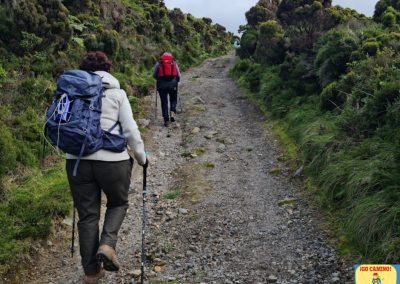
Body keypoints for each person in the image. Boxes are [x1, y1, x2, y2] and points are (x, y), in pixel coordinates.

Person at [65, 51, 149, 284]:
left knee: (88, 216)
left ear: (83, 71)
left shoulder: (71, 92)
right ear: (107, 70)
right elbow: (131, 131)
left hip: (76, 162)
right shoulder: (117, 94)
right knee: (118, 202)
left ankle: (91, 272)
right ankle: (107, 244)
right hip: (113, 161)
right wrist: (142, 159)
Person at [152, 52, 181, 127]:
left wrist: (159, 79)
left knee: (164, 101)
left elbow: (154, 75)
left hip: (161, 86)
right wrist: (177, 80)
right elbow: (178, 75)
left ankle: (166, 120)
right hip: (173, 85)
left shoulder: (159, 63)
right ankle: (172, 111)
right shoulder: (173, 62)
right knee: (173, 99)